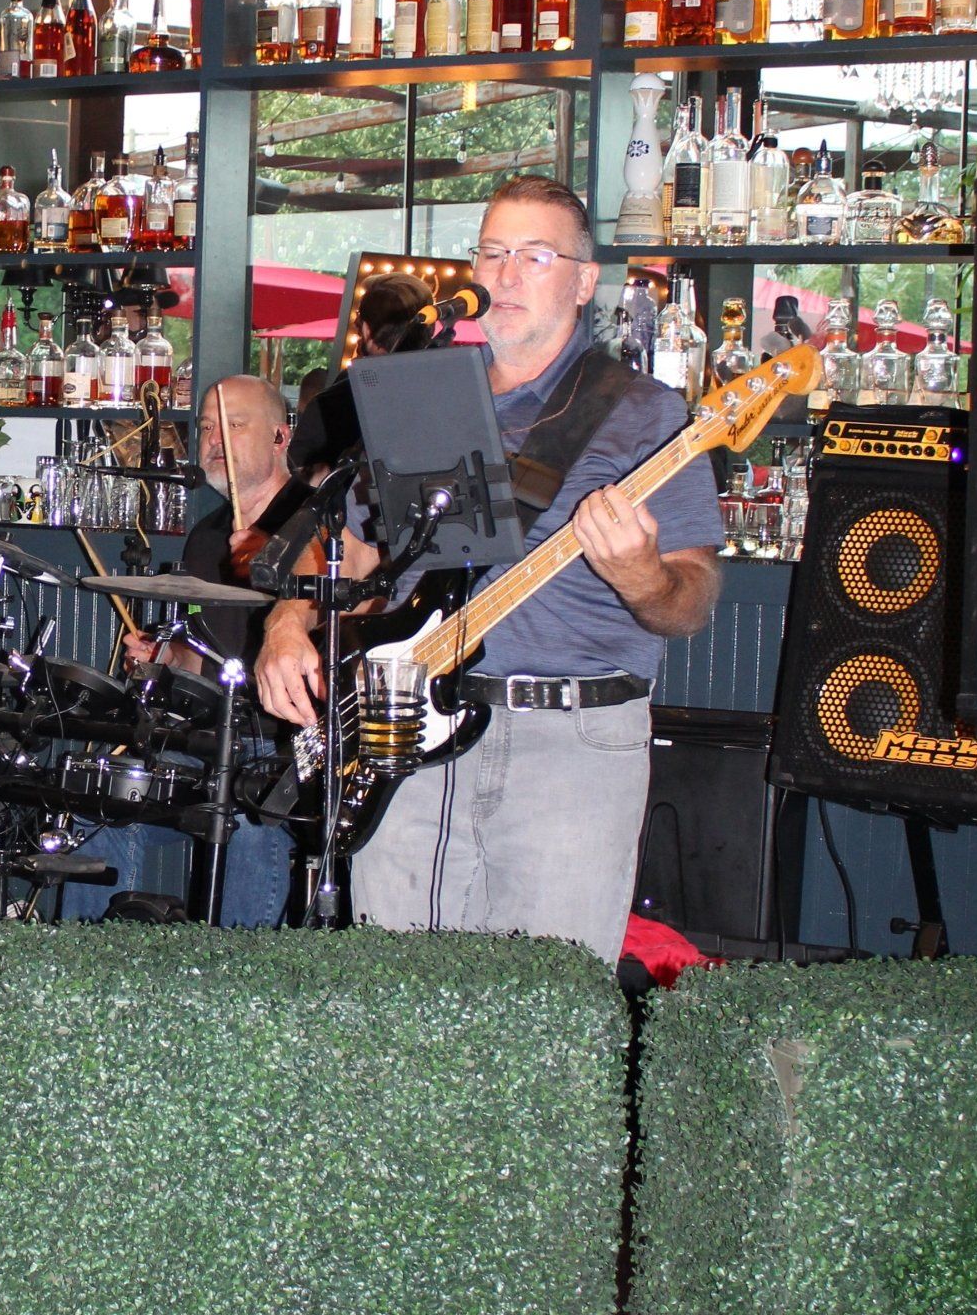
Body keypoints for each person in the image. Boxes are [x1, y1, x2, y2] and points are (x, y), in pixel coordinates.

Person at [256, 178, 723, 964]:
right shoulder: (422, 395)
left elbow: (692, 602)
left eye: (534, 256)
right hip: (407, 728)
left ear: (582, 282)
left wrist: (640, 573)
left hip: (569, 744)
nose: (502, 277)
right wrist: (285, 621)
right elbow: (353, 543)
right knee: (398, 1000)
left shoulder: (644, 414)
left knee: (549, 1018)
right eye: (492, 254)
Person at [63, 375, 295, 929]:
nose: (215, 441)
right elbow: (204, 657)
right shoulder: (208, 536)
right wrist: (167, 660)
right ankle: (84, 970)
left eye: (235, 425)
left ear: (282, 436)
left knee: (249, 822)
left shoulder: (319, 527)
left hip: (284, 747)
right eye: (209, 428)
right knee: (106, 799)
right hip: (209, 735)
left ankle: (238, 980)